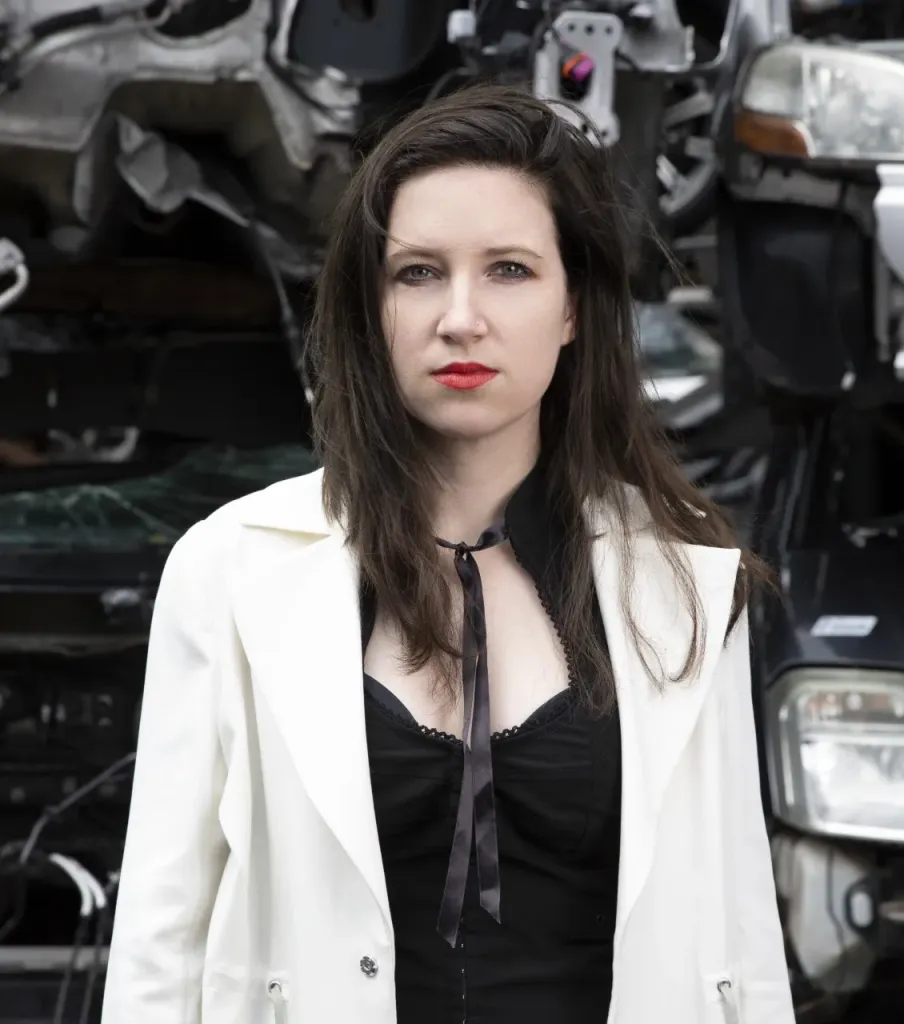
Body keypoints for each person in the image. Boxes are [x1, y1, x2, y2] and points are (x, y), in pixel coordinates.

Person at [100, 83, 794, 1024]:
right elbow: (159, 942)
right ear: (371, 305)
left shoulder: (685, 584)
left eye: (509, 269)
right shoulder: (235, 568)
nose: (460, 317)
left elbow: (742, 948)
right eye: (418, 272)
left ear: (573, 306)